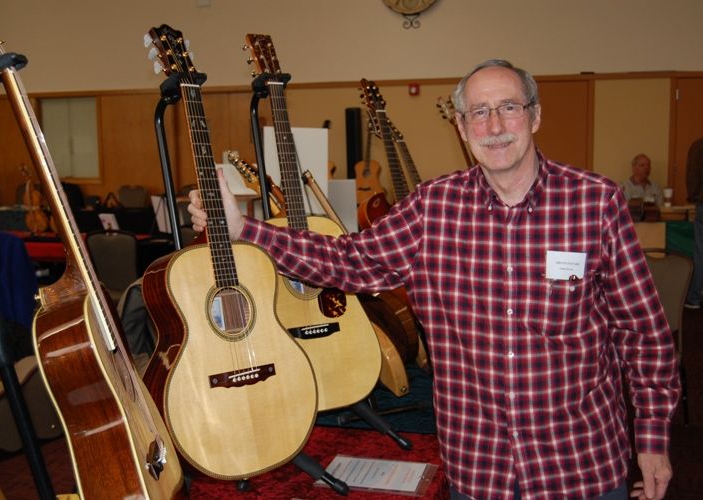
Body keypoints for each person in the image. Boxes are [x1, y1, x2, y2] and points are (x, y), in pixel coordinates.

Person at [188, 59, 679, 500]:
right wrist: (243, 230)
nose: (495, 126)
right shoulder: (434, 207)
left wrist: (653, 441)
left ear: (534, 115)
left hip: (581, 467)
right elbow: (349, 260)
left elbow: (643, 333)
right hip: (480, 470)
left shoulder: (594, 203)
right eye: (479, 113)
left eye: (508, 107)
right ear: (462, 128)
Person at [685, 136, 703, 308]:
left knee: (700, 251)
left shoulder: (697, 147)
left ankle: (695, 297)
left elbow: (692, 176)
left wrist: (694, 196)